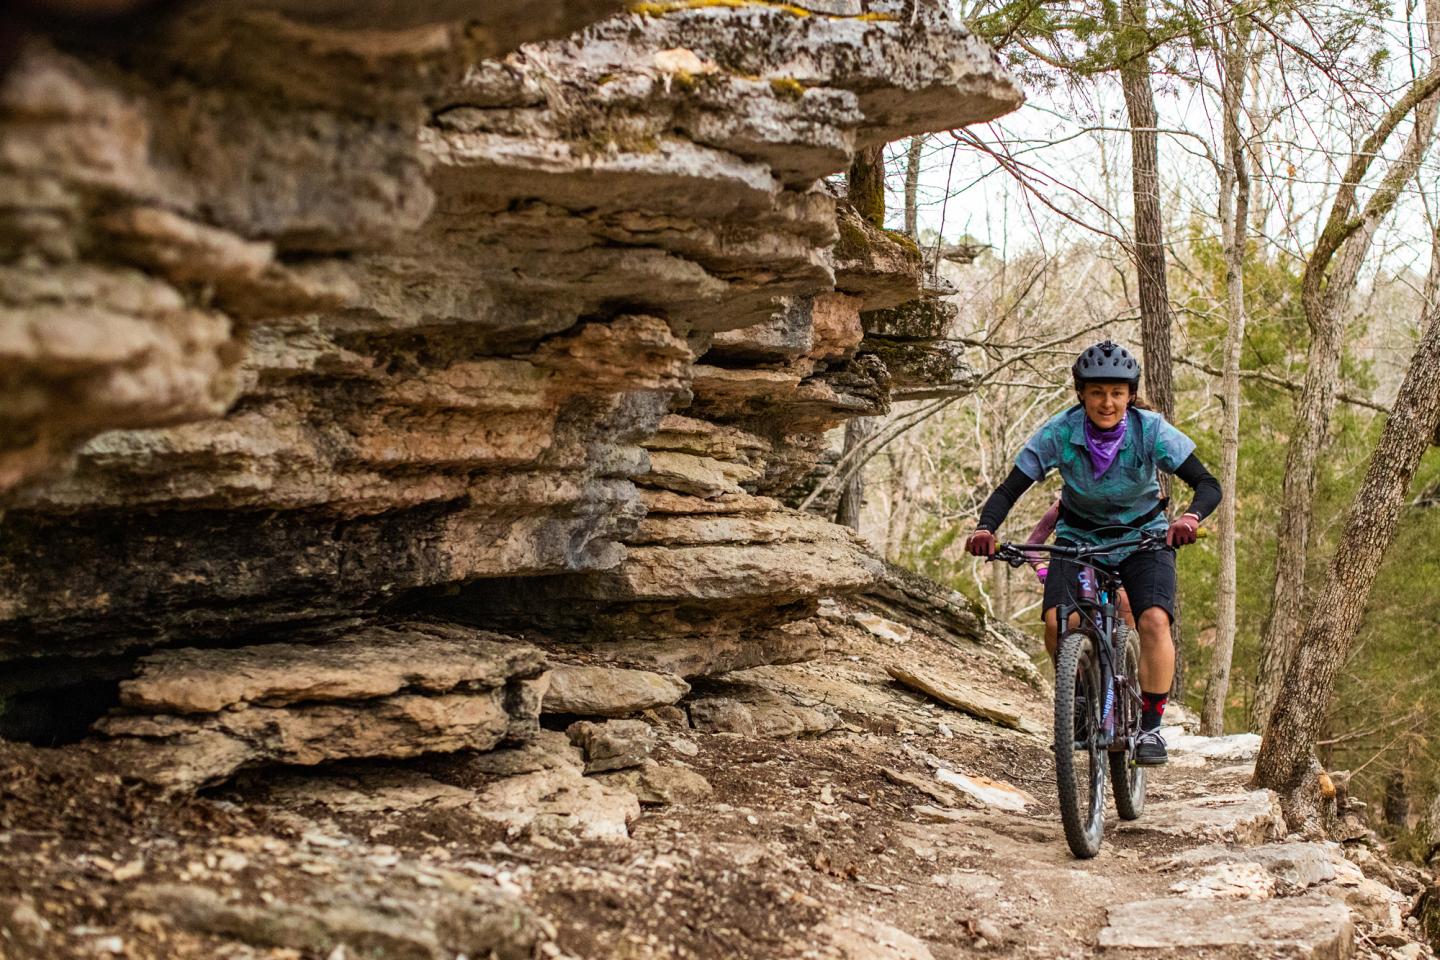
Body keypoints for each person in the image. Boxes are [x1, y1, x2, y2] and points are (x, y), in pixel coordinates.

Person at [964, 340, 1221, 765]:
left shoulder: (1150, 430)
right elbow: (1011, 488)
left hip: (1144, 538)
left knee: (1154, 619)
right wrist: (985, 528)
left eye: (1117, 393)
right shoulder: (1060, 432)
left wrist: (1190, 519)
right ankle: (1078, 693)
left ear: (1130, 395)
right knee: (1056, 623)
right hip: (1079, 538)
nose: (1107, 402)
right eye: (1098, 392)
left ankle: (1153, 728)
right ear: (1081, 393)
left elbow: (1208, 483)